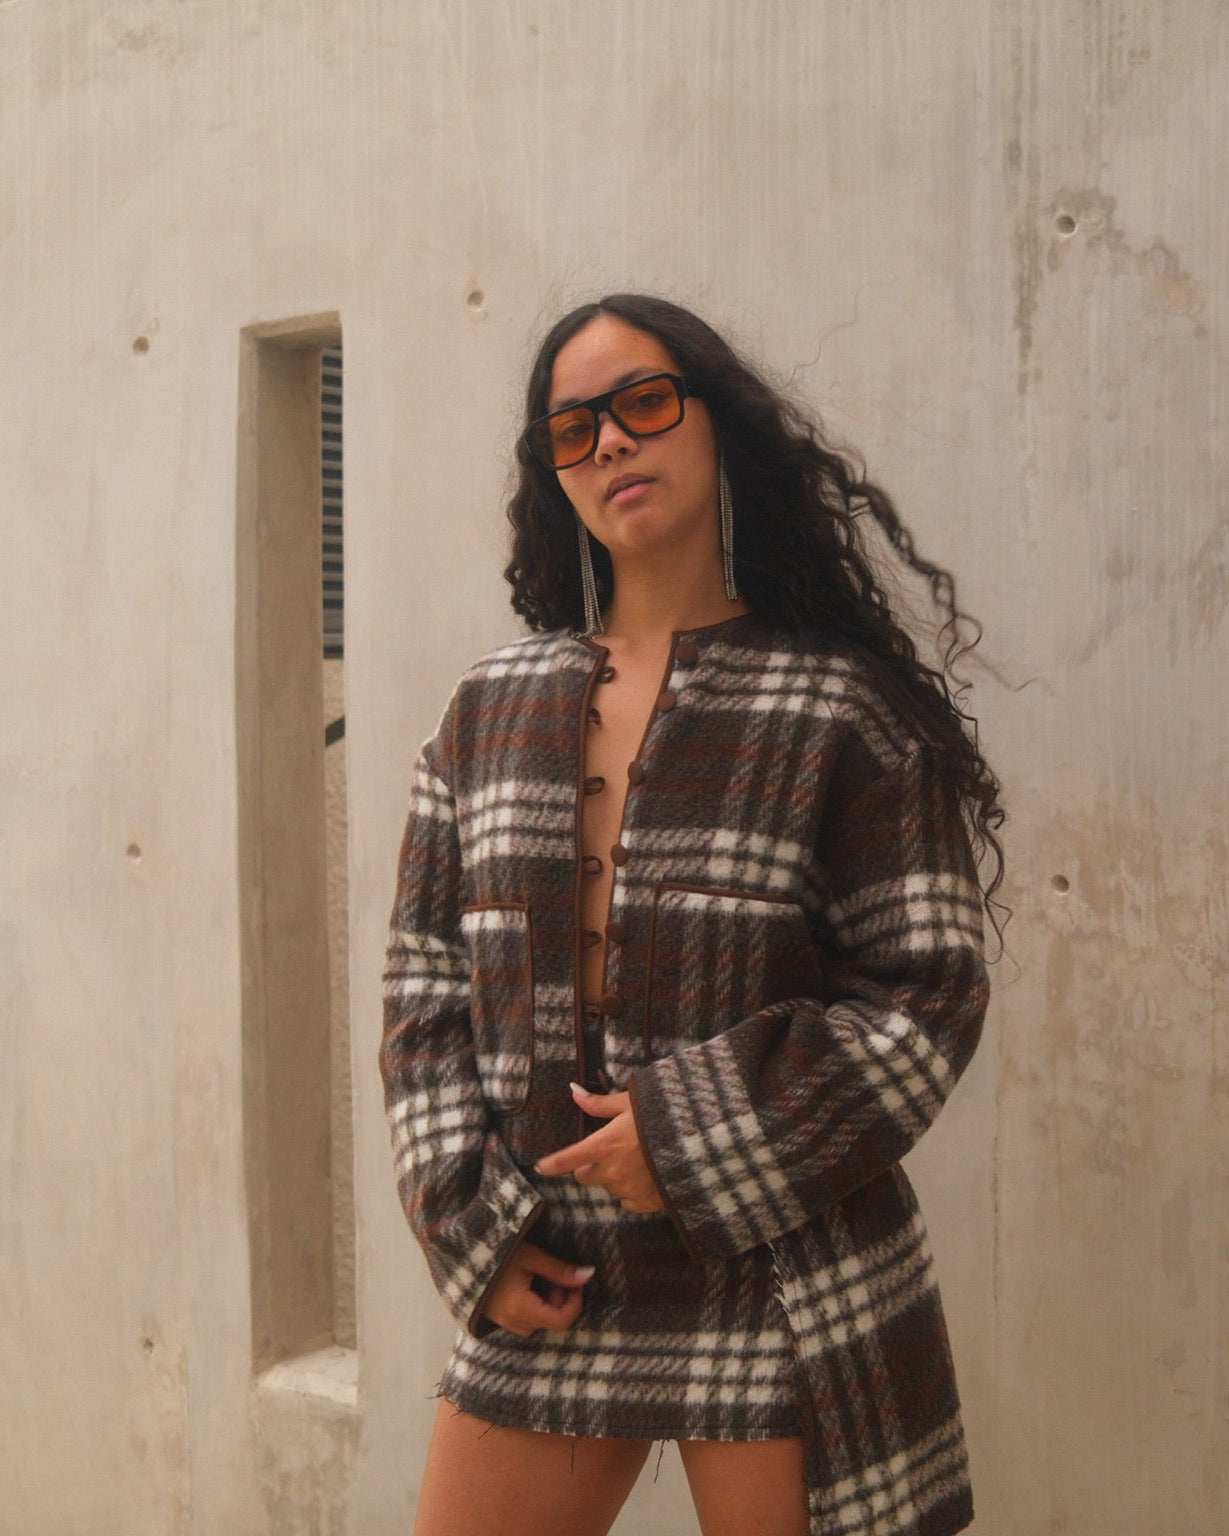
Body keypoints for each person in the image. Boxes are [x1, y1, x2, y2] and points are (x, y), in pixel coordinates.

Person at [380, 294, 1004, 1536]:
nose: (609, 442)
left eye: (642, 403)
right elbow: (422, 985)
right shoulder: (484, 714)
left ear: (715, 425)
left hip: (788, 1274)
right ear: (550, 470)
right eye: (571, 428)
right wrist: (465, 1223)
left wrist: (684, 1136)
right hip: (550, 1262)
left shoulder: (841, 709)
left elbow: (923, 993)